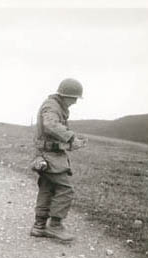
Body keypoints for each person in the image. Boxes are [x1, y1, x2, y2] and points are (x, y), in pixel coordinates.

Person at [30, 78, 86, 242]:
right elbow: (50, 125)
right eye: (74, 98)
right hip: (50, 156)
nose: (75, 102)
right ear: (65, 95)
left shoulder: (54, 105)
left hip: (46, 154)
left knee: (47, 188)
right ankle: (55, 226)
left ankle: (39, 226)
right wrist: (70, 137)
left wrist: (69, 143)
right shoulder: (52, 107)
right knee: (65, 189)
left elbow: (50, 131)